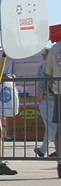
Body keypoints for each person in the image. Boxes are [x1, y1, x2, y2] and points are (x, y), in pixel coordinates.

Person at [37, 28, 60, 159]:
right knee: (50, 126)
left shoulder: (43, 67)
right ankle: (43, 149)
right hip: (55, 95)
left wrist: (40, 97)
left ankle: (58, 149)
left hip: (49, 98)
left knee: (51, 126)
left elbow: (43, 82)